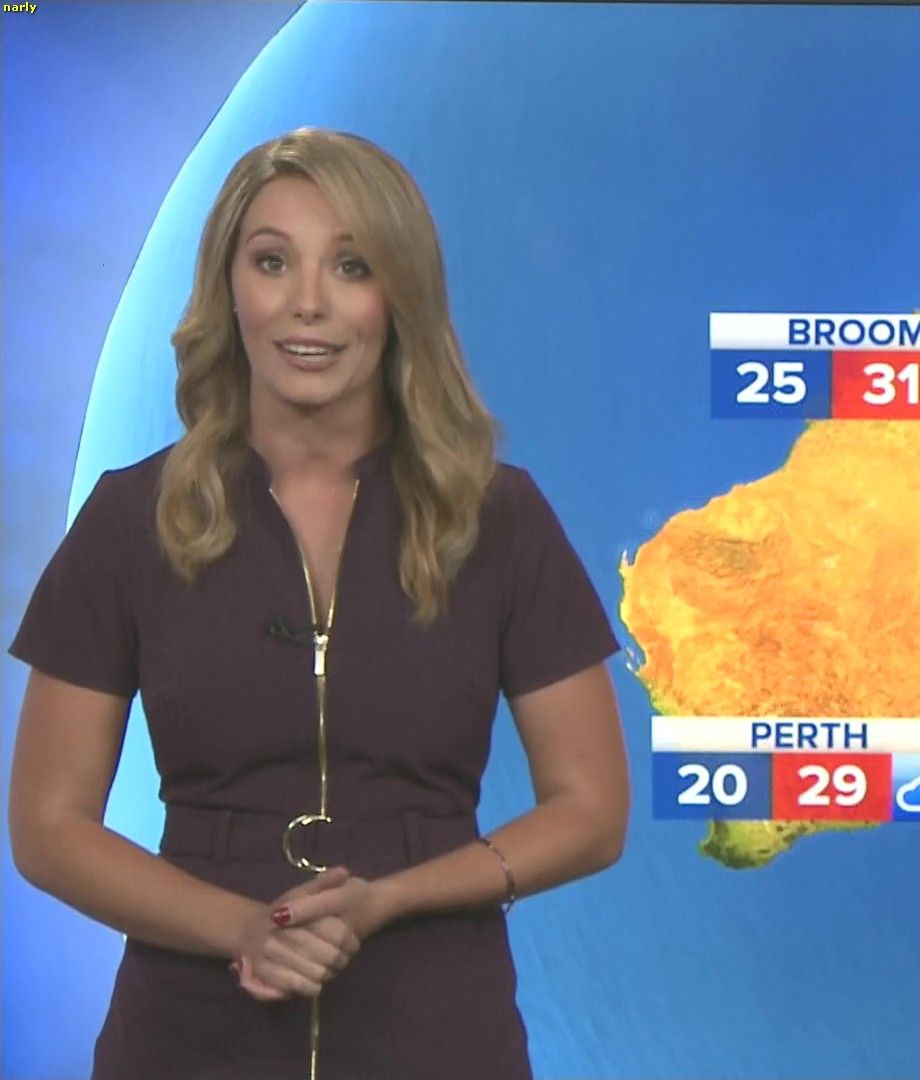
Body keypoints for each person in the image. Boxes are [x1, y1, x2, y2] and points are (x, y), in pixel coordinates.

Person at [7, 128, 630, 1080]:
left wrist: (394, 899)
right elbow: (48, 827)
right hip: (187, 1036)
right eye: (272, 262)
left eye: (351, 266)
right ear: (229, 289)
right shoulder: (132, 518)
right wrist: (242, 928)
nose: (308, 303)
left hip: (437, 1028)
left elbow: (591, 810)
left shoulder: (499, 519)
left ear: (399, 296)